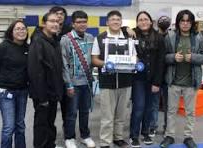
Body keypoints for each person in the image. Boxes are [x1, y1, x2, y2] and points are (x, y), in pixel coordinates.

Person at [160, 9, 203, 148]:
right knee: (170, 111)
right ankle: (169, 136)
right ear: (178, 22)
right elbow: (162, 57)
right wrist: (173, 57)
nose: (186, 23)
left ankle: (188, 137)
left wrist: (193, 57)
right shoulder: (169, 37)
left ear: (192, 22)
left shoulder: (199, 37)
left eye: (188, 21)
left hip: (191, 82)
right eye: (183, 20)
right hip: (173, 81)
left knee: (190, 112)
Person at [92, 10, 132, 148]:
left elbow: (135, 56)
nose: (115, 22)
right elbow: (94, 59)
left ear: (121, 22)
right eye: (113, 19)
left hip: (126, 82)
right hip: (107, 83)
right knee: (107, 116)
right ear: (107, 22)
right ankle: (105, 142)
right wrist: (106, 64)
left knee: (121, 115)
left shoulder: (128, 38)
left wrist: (133, 62)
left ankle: (118, 138)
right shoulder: (99, 38)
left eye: (118, 19)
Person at [129, 11, 165, 147]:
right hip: (137, 79)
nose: (143, 22)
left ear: (151, 21)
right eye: (140, 20)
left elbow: (161, 61)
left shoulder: (159, 38)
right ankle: (133, 135)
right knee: (138, 107)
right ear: (137, 22)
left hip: (152, 79)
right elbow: (117, 27)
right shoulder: (132, 35)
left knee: (149, 108)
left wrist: (157, 82)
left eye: (146, 19)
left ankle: (145, 133)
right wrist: (125, 28)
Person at [60, 10, 95, 148]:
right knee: (72, 112)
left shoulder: (91, 37)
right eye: (79, 22)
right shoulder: (66, 39)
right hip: (73, 83)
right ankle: (69, 137)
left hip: (87, 82)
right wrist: (68, 84)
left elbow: (94, 58)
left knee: (85, 111)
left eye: (84, 22)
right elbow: (63, 64)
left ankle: (85, 136)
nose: (82, 24)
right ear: (73, 24)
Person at [28, 12, 63, 148]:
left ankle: (50, 145)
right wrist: (42, 98)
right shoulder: (38, 41)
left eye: (57, 22)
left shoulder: (53, 40)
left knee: (50, 122)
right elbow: (35, 72)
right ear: (44, 23)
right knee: (42, 125)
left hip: (52, 92)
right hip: (43, 94)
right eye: (52, 21)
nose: (55, 24)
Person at [0, 20, 28, 148]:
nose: (21, 31)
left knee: (20, 125)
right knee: (9, 127)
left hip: (22, 91)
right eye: (17, 29)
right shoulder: (3, 47)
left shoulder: (28, 48)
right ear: (11, 32)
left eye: (23, 29)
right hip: (6, 92)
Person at [157, 14, 171, 134]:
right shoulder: (154, 36)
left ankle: (167, 128)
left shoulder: (172, 37)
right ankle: (152, 127)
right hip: (156, 76)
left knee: (168, 105)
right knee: (153, 104)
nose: (164, 23)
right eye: (162, 21)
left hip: (168, 76)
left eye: (166, 21)